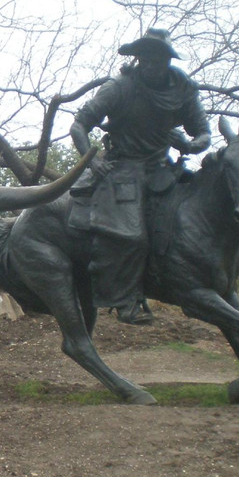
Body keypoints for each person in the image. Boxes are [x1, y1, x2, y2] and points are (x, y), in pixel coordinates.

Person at [70, 28, 211, 324]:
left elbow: (203, 134)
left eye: (156, 59)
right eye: (144, 58)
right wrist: (92, 160)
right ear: (137, 59)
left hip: (162, 168)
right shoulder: (119, 87)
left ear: (168, 61)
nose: (149, 64)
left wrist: (188, 144)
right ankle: (125, 300)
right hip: (122, 168)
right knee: (132, 235)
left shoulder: (183, 88)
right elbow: (80, 124)